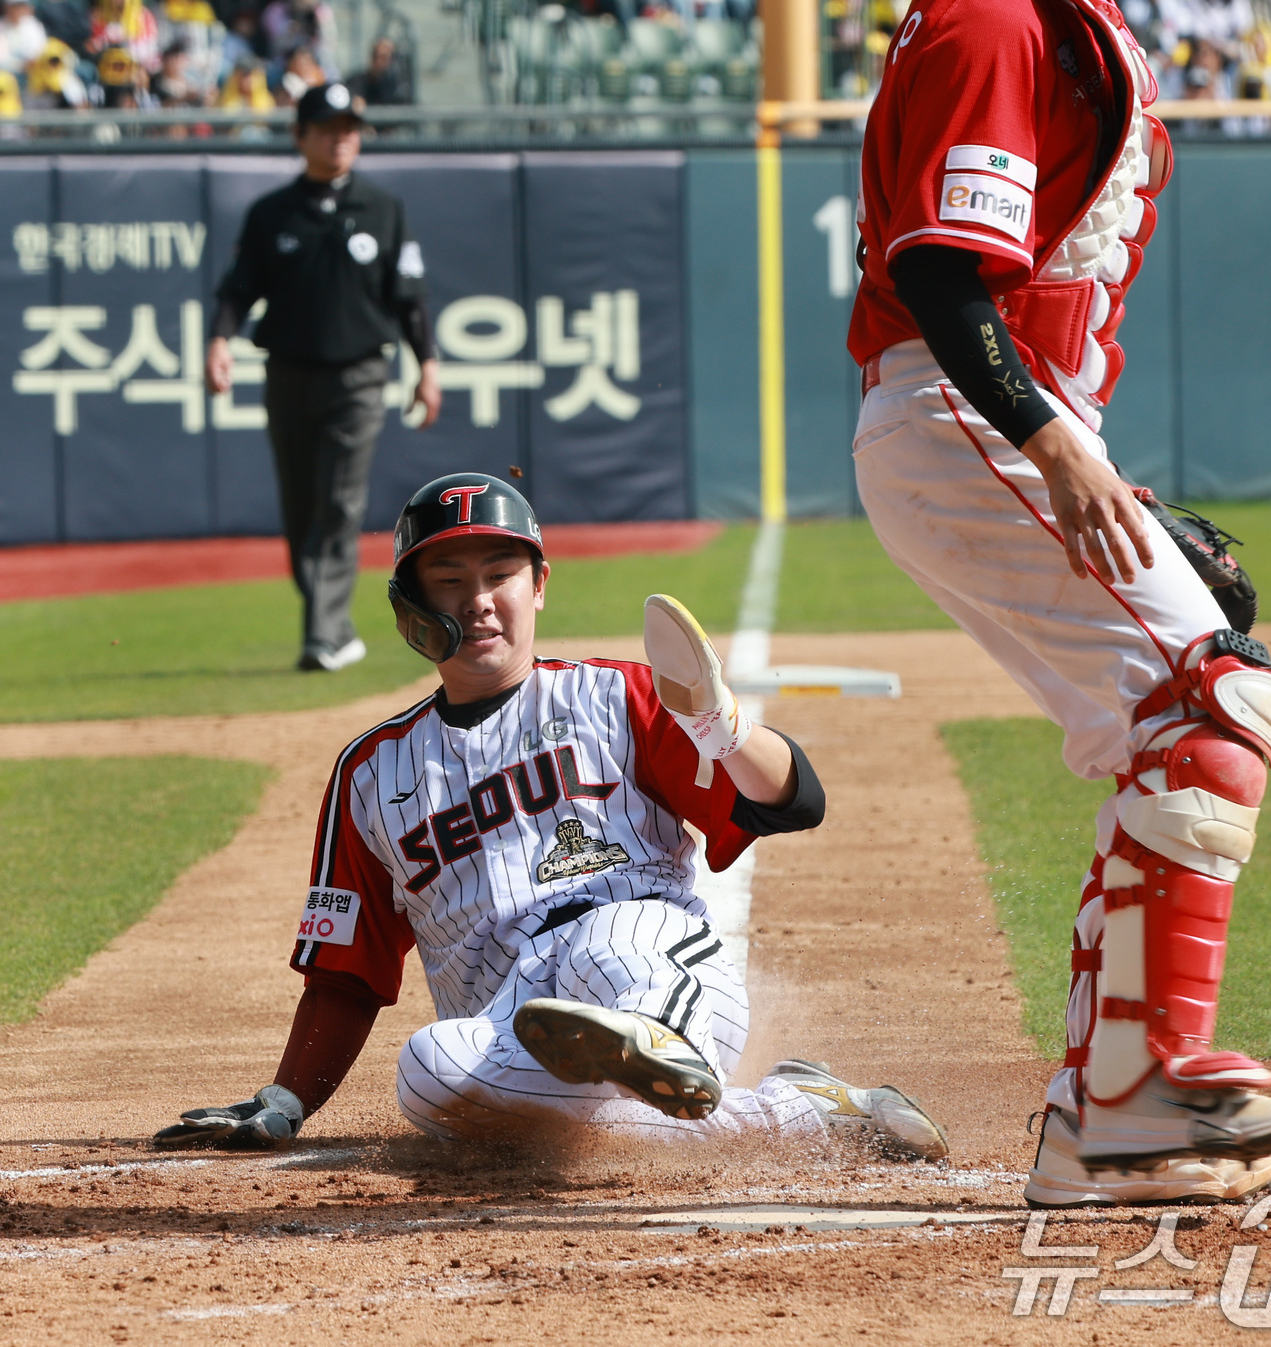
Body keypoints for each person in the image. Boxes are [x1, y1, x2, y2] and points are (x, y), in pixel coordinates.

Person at [847, 0, 1271, 1207]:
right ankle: (1136, 1083)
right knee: (1211, 697)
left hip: (993, 415)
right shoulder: (993, 14)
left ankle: (1092, 1125)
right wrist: (1050, 441)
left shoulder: (1041, 4)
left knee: (1174, 712)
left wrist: (1091, 459)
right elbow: (939, 271)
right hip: (961, 409)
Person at [150, 472, 950, 1161]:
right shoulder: (371, 774)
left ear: (538, 586)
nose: (479, 601)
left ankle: (658, 1044)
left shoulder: (616, 697)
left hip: (655, 953)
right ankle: (804, 1111)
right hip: (519, 1025)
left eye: (501, 574)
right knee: (428, 1067)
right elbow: (345, 972)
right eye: (449, 580)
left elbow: (791, 801)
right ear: (411, 607)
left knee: (609, 945)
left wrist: (723, 727)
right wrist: (288, 1100)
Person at [206, 84, 443, 671]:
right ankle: (329, 623)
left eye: (350, 128)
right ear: (300, 135)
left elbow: (410, 297)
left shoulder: (383, 208)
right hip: (288, 374)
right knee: (301, 505)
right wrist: (219, 340)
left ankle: (324, 634)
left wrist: (427, 365)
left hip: (359, 375)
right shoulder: (272, 213)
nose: (341, 138)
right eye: (328, 128)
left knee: (339, 501)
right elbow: (238, 289)